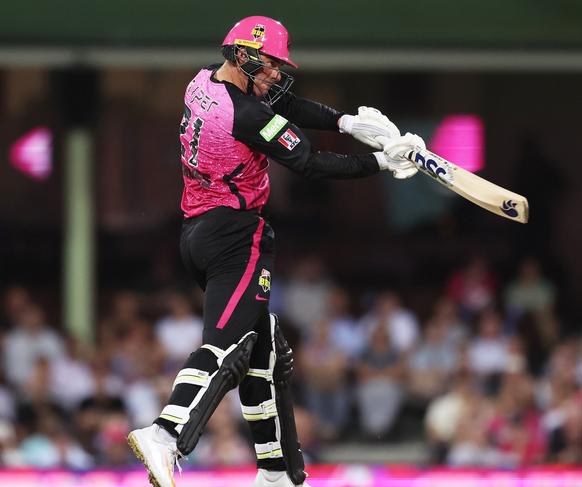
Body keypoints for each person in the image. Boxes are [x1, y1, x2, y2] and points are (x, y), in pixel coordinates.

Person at [127, 15, 424, 487]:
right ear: (244, 55)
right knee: (231, 345)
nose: (275, 76)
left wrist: (346, 122)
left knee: (267, 353)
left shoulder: (204, 79)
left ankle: (279, 472)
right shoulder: (247, 116)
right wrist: (380, 162)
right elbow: (308, 161)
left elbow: (285, 105)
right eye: (268, 66)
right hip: (235, 236)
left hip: (198, 234)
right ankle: (166, 434)